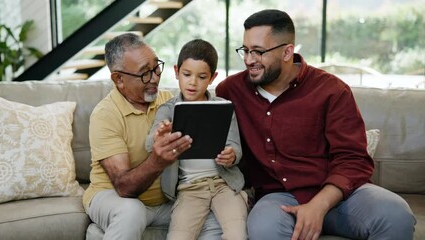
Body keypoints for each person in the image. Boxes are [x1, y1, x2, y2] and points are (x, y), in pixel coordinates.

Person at [216, 9, 416, 240]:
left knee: (395, 214)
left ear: (287, 51)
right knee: (263, 227)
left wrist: (318, 206)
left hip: (339, 197)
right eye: (246, 50)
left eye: (259, 52)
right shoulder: (230, 91)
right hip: (278, 200)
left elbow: (353, 159)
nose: (249, 60)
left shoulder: (332, 90)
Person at [82, 33, 222, 240]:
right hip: (113, 197)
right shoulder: (105, 114)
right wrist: (157, 161)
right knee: (131, 211)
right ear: (119, 79)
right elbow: (123, 187)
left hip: (166, 201)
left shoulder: (169, 102)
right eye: (144, 74)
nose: (155, 78)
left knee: (214, 217)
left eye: (156, 67)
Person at [145, 39, 247, 240]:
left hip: (224, 185)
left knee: (237, 235)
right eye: (186, 74)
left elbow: (235, 146)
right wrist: (160, 137)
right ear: (176, 72)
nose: (193, 82)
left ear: (212, 78)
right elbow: (150, 144)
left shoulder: (224, 107)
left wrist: (231, 155)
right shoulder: (168, 109)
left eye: (202, 77)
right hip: (189, 189)